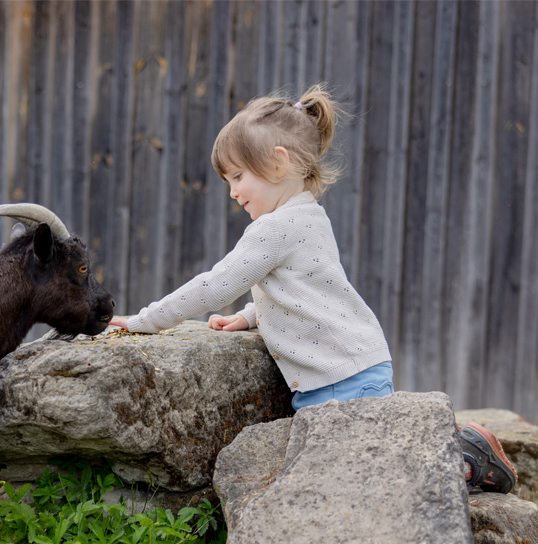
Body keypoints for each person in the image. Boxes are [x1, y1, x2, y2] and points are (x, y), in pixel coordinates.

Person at [109, 84, 516, 494]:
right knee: (365, 476)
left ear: (278, 163)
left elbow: (216, 285)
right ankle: (457, 457)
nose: (232, 191)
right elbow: (306, 288)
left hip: (342, 382)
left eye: (237, 176)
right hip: (351, 370)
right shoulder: (308, 216)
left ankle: (462, 454)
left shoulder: (275, 227)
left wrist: (147, 321)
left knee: (366, 482)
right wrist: (250, 316)